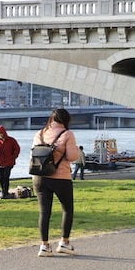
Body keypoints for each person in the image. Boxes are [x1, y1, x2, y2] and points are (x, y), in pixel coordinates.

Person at [33, 108, 79, 257]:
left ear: (51, 119)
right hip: (61, 177)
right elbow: (72, 156)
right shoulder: (67, 134)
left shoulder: (39, 134)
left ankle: (44, 246)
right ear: (66, 120)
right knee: (67, 209)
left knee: (44, 212)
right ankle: (64, 242)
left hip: (39, 178)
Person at [0, 126, 21, 198]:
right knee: (1, 178)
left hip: (9, 162)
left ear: (4, 133)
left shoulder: (11, 140)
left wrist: (13, 157)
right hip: (0, 162)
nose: (0, 135)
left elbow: (17, 149)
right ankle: (4, 192)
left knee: (6, 177)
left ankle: (5, 193)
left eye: (1, 133)